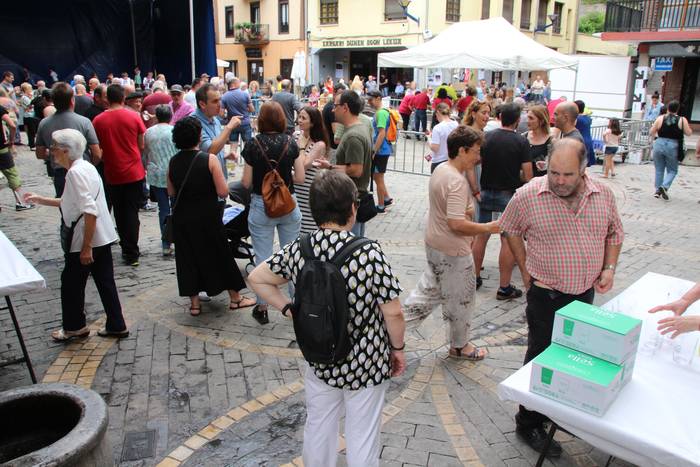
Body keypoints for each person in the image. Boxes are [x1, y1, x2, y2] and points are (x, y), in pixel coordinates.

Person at [247, 169, 406, 467]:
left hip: (320, 357)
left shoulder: (300, 248)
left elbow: (257, 277)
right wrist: (397, 349)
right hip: (366, 363)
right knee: (363, 434)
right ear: (352, 208)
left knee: (319, 425)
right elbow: (393, 311)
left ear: (313, 209)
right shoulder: (368, 253)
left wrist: (288, 308)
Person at [500, 138, 624, 456]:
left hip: (584, 294)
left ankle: (556, 412)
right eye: (554, 172)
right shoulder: (529, 195)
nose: (559, 181)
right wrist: (525, 269)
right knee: (541, 358)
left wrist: (609, 267)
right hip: (546, 295)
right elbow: (509, 228)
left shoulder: (603, 195)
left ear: (584, 170)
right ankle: (528, 421)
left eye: (568, 175)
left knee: (572, 359)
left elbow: (614, 233)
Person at [404, 125, 500, 360]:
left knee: (426, 295)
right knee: (462, 300)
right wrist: (488, 228)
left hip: (436, 245)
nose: (479, 157)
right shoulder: (456, 181)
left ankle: (390, 330)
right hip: (452, 251)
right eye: (476, 151)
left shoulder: (441, 170)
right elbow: (456, 223)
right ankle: (460, 346)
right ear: (462, 150)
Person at [24, 129, 128, 341]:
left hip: (85, 239)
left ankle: (74, 326)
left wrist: (86, 247)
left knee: (71, 283)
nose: (51, 152)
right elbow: (72, 202)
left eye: (53, 148)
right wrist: (40, 199)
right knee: (104, 281)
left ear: (64, 151)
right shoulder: (86, 167)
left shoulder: (75, 172)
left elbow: (89, 210)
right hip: (101, 236)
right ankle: (116, 324)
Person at [166, 117, 255, 316]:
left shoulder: (173, 161)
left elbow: (171, 191)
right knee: (220, 255)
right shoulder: (209, 159)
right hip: (207, 216)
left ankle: (195, 304)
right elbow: (223, 192)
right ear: (198, 136)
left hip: (183, 218)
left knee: (187, 258)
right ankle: (235, 298)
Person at [241, 101, 305, 325]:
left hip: (261, 205)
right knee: (293, 257)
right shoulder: (291, 142)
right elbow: (300, 178)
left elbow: (246, 182)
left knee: (262, 257)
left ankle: (262, 306)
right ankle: (297, 305)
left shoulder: (252, 144)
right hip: (289, 203)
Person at [472, 103, 532, 296]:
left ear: (499, 117)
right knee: (508, 240)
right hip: (509, 193)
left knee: (481, 235)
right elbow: (528, 174)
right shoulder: (521, 142)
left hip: (487, 190)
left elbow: (476, 162)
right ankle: (504, 286)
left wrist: (476, 189)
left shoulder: (487, 137)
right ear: (516, 120)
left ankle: (474, 278)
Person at [92, 84, 146, 266]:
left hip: (112, 171)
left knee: (119, 212)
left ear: (107, 99)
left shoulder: (98, 120)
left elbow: (97, 148)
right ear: (123, 98)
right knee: (131, 212)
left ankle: (125, 246)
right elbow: (141, 145)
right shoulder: (133, 116)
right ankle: (132, 251)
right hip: (134, 171)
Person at [316, 90, 372, 237]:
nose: (333, 109)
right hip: (353, 199)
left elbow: (356, 170)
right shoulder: (358, 128)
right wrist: (329, 166)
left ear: (345, 107)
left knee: (349, 248)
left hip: (350, 201)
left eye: (335, 106)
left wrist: (330, 168)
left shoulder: (353, 135)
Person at [35, 82, 101, 197]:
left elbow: (40, 154)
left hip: (60, 173)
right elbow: (97, 153)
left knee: (66, 209)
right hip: (82, 171)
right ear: (72, 100)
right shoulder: (84, 122)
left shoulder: (44, 124)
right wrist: (92, 165)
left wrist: (55, 156)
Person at [143, 105, 178, 255]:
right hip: (173, 174)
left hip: (156, 175)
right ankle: (177, 238)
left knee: (163, 209)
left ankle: (166, 243)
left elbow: (146, 153)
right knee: (176, 208)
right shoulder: (174, 131)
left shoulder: (149, 132)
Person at [192, 83, 241, 180]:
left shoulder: (215, 120)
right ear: (202, 104)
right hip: (205, 181)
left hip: (218, 180)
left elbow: (215, 148)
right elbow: (210, 150)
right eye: (215, 101)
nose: (220, 104)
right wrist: (229, 127)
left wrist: (225, 156)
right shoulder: (194, 122)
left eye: (220, 100)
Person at [294, 106, 329, 234]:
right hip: (295, 187)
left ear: (313, 122)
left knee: (308, 226)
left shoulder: (319, 144)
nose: (300, 121)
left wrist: (302, 147)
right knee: (294, 226)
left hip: (308, 189)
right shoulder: (296, 135)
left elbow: (304, 165)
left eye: (304, 118)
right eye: (299, 117)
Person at [649, 100, 692, 200]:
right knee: (672, 170)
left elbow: (652, 131)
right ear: (677, 109)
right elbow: (688, 133)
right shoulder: (682, 120)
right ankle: (664, 186)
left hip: (659, 143)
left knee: (659, 169)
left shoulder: (660, 118)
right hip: (673, 145)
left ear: (668, 108)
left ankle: (657, 190)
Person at [0, 102, 34, 210]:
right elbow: (12, 125)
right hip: (1, 149)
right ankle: (21, 202)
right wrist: (11, 140)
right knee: (12, 174)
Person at [366, 90, 393, 212]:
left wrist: (374, 150)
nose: (369, 102)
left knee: (378, 178)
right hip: (383, 149)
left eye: (371, 100)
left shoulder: (381, 113)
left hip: (381, 150)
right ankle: (386, 198)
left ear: (378, 98)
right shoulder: (382, 112)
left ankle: (381, 206)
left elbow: (381, 133)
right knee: (378, 177)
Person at [222, 77, 254, 153]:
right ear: (234, 84)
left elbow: (221, 114)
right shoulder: (245, 94)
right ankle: (247, 164)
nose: (240, 84)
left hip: (233, 124)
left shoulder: (224, 96)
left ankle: (232, 163)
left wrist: (228, 116)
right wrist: (245, 111)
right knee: (248, 148)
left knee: (233, 147)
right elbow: (252, 109)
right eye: (238, 82)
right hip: (245, 123)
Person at [428, 102, 457, 173]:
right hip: (452, 160)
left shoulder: (437, 128)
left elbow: (435, 148)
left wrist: (428, 138)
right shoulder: (456, 124)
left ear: (438, 112)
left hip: (439, 161)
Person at [524, 105, 552, 177]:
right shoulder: (524, 136)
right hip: (522, 183)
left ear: (541, 121)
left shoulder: (551, 142)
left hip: (539, 183)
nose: (527, 121)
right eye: (528, 117)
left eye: (531, 118)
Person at [574, 100, 595, 167]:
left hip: (579, 140)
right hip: (588, 140)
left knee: (577, 162)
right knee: (584, 163)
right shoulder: (588, 118)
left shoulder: (576, 119)